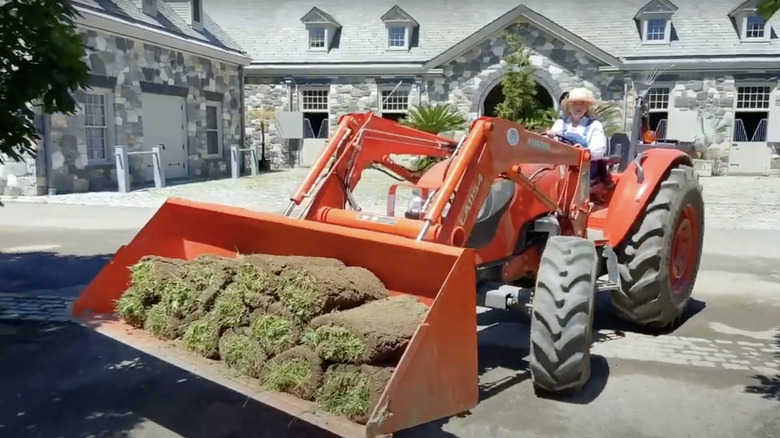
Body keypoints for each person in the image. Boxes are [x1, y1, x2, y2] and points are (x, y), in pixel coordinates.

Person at [545, 87, 608, 182]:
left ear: (587, 108)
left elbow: (598, 151)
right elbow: (549, 146)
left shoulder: (594, 126)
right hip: (560, 169)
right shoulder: (560, 124)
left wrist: (580, 152)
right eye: (574, 104)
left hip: (584, 173)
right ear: (568, 107)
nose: (578, 107)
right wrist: (550, 138)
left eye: (582, 104)